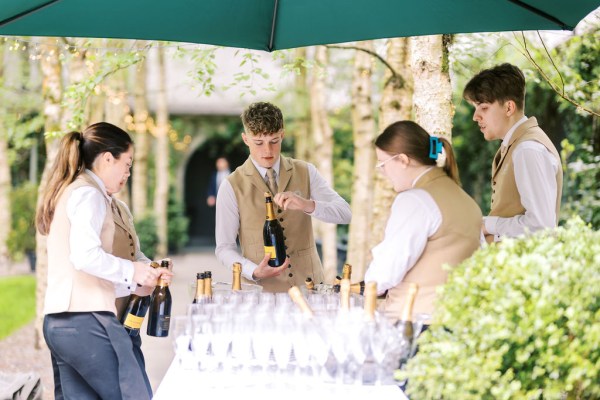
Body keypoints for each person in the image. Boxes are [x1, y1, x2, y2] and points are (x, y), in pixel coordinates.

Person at [36, 122, 172, 400]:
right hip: (87, 321)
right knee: (134, 395)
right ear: (108, 158)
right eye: (127, 163)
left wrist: (142, 275)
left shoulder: (79, 191)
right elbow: (85, 256)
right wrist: (133, 271)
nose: (128, 173)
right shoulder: (89, 194)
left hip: (61, 323)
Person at [215, 101, 351, 292]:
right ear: (246, 139)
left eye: (274, 141)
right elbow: (224, 248)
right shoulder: (231, 186)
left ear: (283, 135)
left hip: (310, 287)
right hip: (261, 293)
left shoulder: (306, 171)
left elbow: (345, 213)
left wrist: (307, 205)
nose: (267, 151)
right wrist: (253, 271)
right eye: (258, 143)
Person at [364, 120, 482, 325]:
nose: (383, 173)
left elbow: (384, 273)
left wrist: (368, 283)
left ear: (402, 160)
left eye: (383, 165)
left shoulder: (415, 200)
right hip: (457, 322)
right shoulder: (467, 201)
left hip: (413, 325)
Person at [463, 63, 563, 243]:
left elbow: (541, 227)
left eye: (484, 108)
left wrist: (489, 224)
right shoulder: (516, 145)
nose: (475, 116)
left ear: (509, 108)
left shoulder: (528, 149)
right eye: (475, 108)